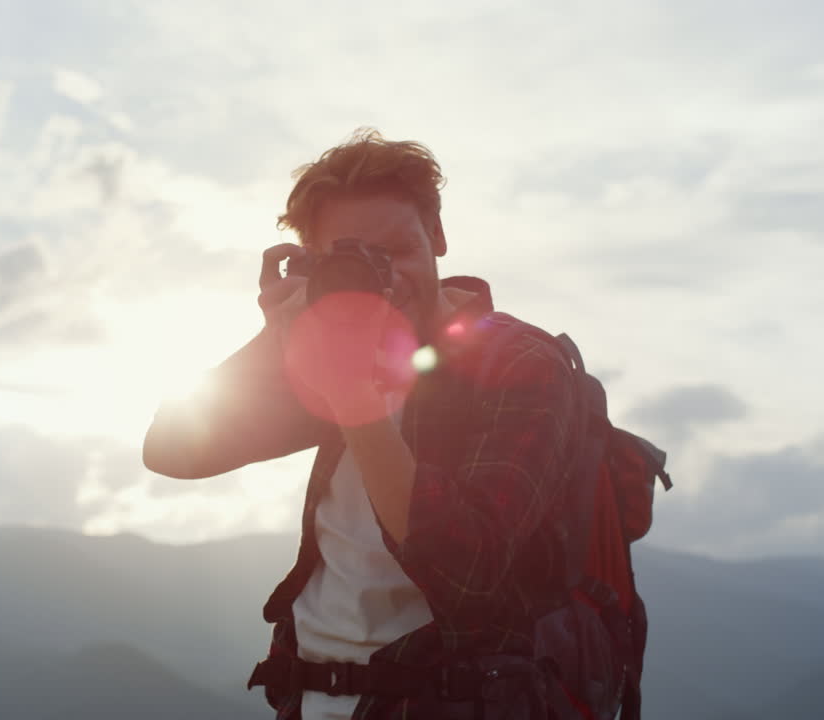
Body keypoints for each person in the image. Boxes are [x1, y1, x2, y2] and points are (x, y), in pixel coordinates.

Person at [144, 129, 592, 719]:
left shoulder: (517, 363)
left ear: (437, 232)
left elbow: (469, 573)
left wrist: (353, 398)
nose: (387, 276)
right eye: (357, 259)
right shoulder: (336, 349)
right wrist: (273, 339)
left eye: (399, 250)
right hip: (309, 699)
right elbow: (174, 450)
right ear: (319, 264)